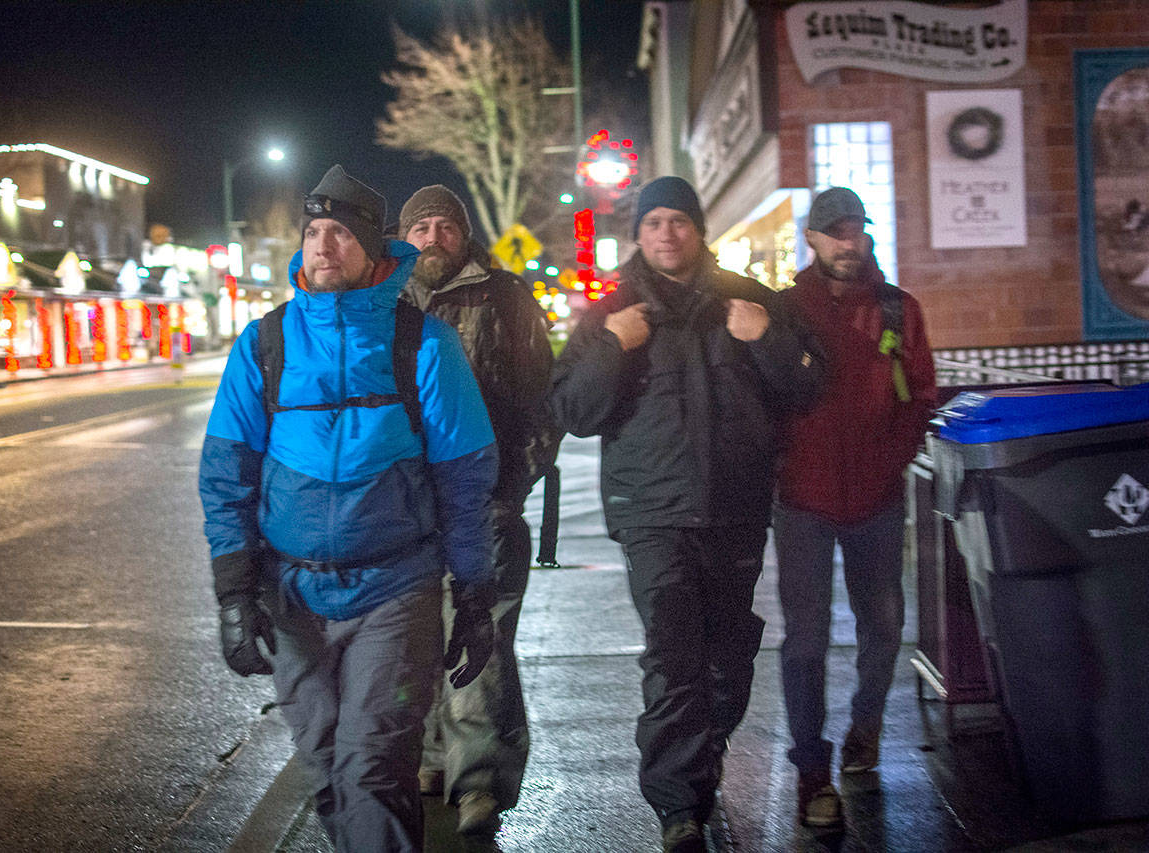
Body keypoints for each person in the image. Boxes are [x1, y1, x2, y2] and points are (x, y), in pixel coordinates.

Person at [198, 164, 499, 853]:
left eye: (339, 232)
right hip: (294, 595)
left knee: (375, 766)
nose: (323, 244)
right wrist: (233, 592)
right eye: (313, 231)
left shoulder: (424, 344)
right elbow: (225, 476)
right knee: (328, 767)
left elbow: (465, 480)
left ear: (374, 250)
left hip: (396, 591)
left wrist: (474, 593)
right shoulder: (263, 344)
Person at [550, 176, 824, 853]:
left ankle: (704, 744)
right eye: (654, 223)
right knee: (673, 658)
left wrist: (765, 340)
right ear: (638, 234)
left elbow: (807, 387)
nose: (666, 233)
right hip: (651, 514)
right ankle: (678, 809)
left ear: (697, 228)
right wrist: (613, 346)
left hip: (735, 509)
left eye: (678, 220)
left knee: (729, 657)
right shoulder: (610, 309)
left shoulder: (750, 299)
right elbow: (570, 412)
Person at [774, 186, 936, 828]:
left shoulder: (898, 309)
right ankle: (812, 768)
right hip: (803, 500)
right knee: (805, 640)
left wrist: (891, 457)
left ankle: (864, 728)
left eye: (856, 230)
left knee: (884, 622)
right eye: (834, 232)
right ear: (811, 240)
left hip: (875, 495)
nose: (848, 241)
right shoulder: (785, 311)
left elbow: (921, 393)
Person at [398, 185, 557, 836]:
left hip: (481, 505)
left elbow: (544, 401)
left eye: (445, 225)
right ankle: (435, 757)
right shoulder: (382, 301)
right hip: (401, 512)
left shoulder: (505, 296)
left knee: (479, 640)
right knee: (416, 642)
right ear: (404, 237)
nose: (433, 236)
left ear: (464, 234)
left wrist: (511, 482)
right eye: (420, 227)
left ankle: (481, 783)